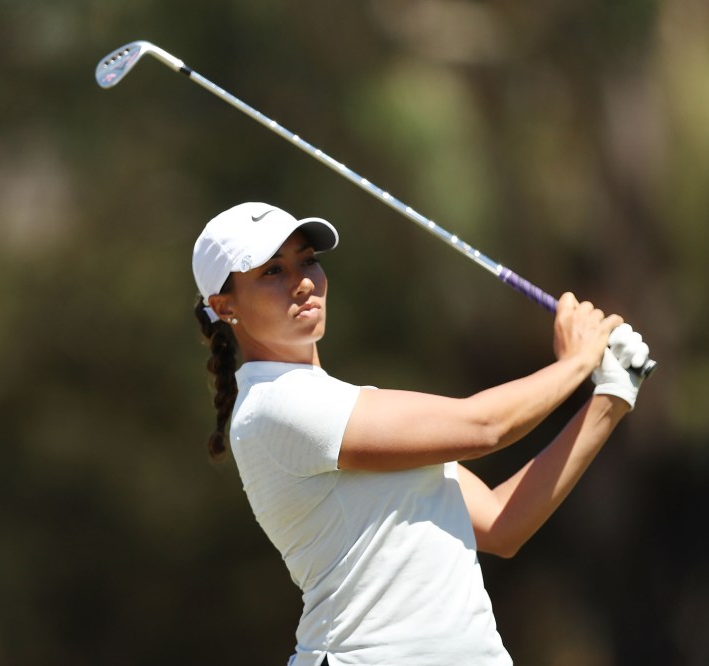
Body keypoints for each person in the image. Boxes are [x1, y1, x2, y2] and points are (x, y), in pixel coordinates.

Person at [192, 202, 650, 666]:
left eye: (307, 260)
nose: (304, 281)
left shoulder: (343, 406)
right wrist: (575, 362)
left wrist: (610, 396)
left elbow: (500, 521)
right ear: (224, 306)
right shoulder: (276, 406)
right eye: (273, 271)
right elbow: (483, 426)